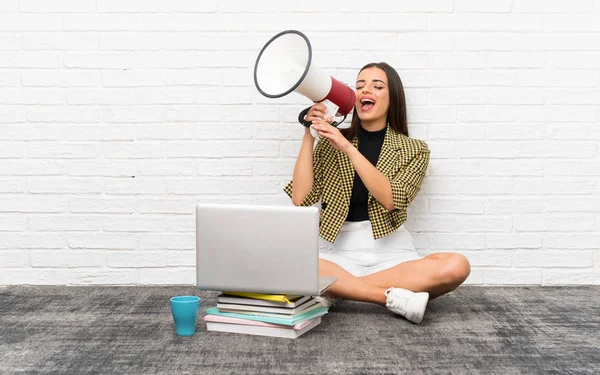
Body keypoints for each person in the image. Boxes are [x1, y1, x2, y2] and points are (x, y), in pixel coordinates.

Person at [284, 62, 471, 324]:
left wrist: (348, 148)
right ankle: (388, 297)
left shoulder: (414, 149)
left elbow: (391, 199)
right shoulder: (331, 142)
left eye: (376, 86)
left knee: (457, 265)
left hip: (393, 256)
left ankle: (339, 289)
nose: (365, 90)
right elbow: (300, 198)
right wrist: (309, 132)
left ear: (392, 97)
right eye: (359, 85)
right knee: (285, 260)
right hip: (338, 255)